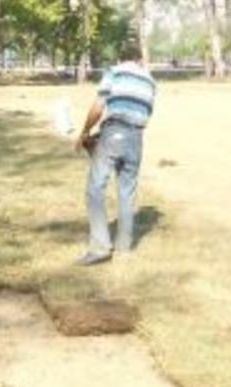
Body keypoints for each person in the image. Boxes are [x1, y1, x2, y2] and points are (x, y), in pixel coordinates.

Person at [74, 42, 157, 266]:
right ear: (139, 59)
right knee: (127, 191)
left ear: (120, 59)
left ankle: (100, 248)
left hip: (114, 133)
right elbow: (144, 112)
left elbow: (99, 106)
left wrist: (85, 132)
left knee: (95, 188)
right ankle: (124, 245)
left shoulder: (114, 72)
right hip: (137, 138)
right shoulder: (150, 81)